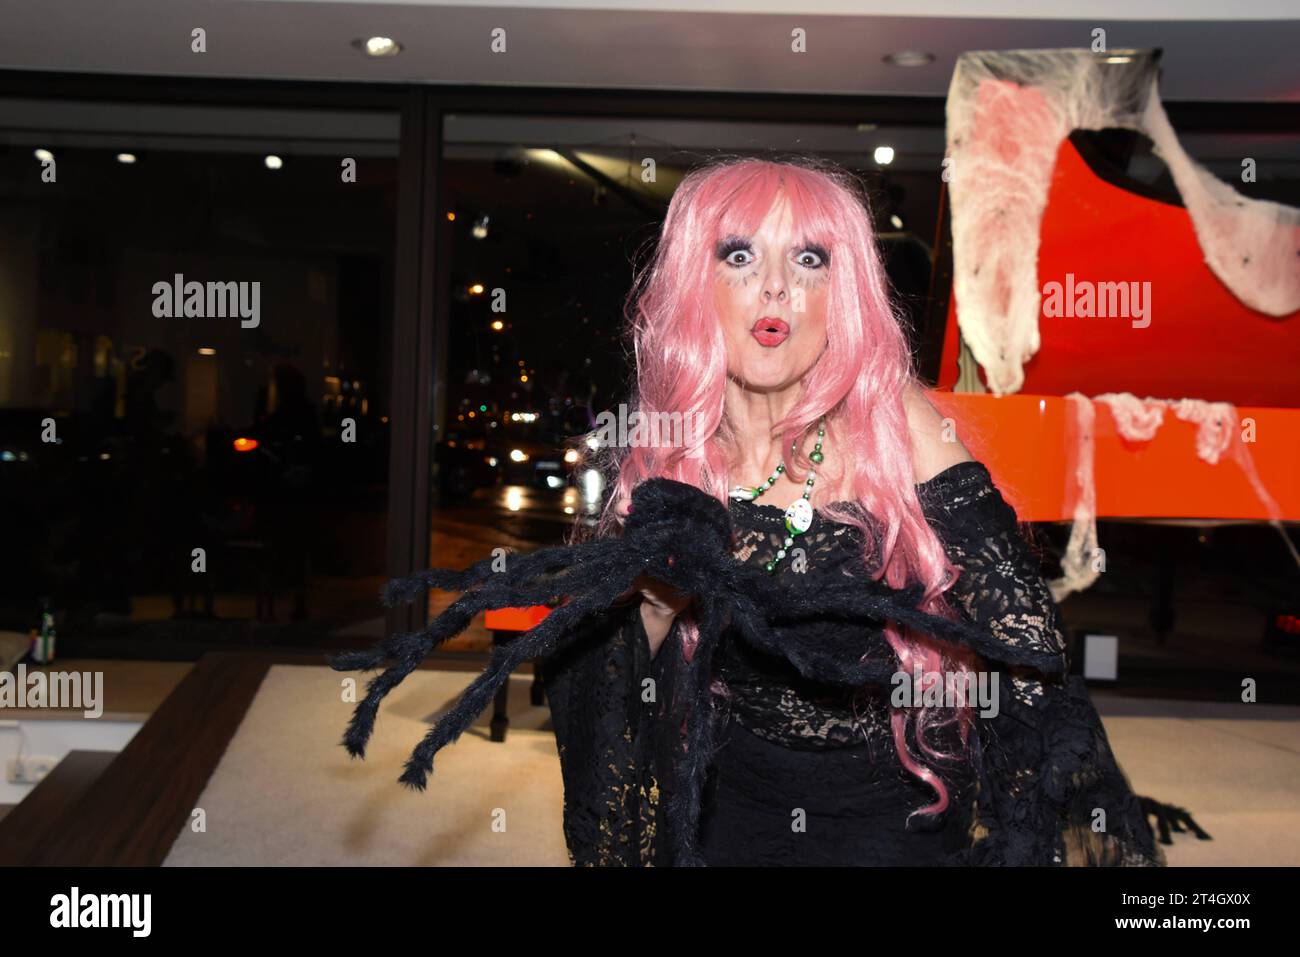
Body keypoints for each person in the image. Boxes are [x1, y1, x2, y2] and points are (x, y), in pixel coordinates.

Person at [538, 156, 1192, 867]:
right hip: (722, 813)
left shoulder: (896, 426)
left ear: (841, 293)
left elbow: (1027, 640)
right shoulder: (659, 452)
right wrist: (660, 594)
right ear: (695, 284)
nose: (777, 286)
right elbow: (595, 698)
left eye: (810, 259)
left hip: (897, 817)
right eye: (738, 255)